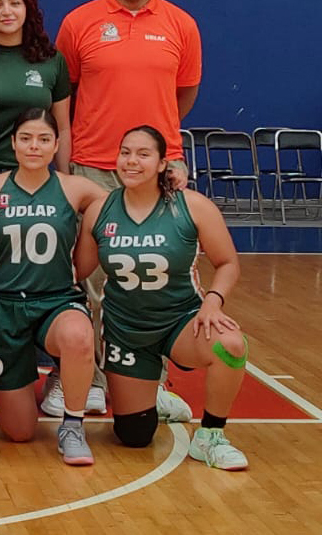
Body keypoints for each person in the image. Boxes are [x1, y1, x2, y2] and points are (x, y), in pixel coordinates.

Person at [56, 0, 201, 423]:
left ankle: (151, 383)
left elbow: (183, 97)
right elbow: (66, 94)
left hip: (159, 171)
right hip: (94, 167)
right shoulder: (79, 22)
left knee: (155, 284)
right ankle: (93, 380)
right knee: (94, 284)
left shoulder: (181, 24)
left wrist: (164, 154)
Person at [75, 126, 248, 470]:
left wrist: (213, 300)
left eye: (143, 154)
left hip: (181, 321)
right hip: (126, 330)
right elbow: (78, 270)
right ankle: (153, 395)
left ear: (160, 164)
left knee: (230, 345)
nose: (131, 161)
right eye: (125, 152)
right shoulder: (100, 211)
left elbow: (228, 263)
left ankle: (211, 435)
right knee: (135, 435)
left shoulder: (192, 206)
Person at [0, 0, 88, 417]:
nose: (7, 11)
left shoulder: (50, 60)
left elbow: (64, 126)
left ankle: (52, 371)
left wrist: (64, 178)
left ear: (28, 8)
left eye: (14, 3)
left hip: (38, 177)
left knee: (45, 276)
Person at [0, 108, 106, 466]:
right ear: (13, 143)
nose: (34, 146)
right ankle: (23, 389)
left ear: (56, 144)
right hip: (5, 305)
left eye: (44, 139)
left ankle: (72, 424)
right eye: (26, 138)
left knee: (78, 335)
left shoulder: (75, 188)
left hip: (56, 301)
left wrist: (83, 254)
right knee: (19, 432)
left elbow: (114, 202)